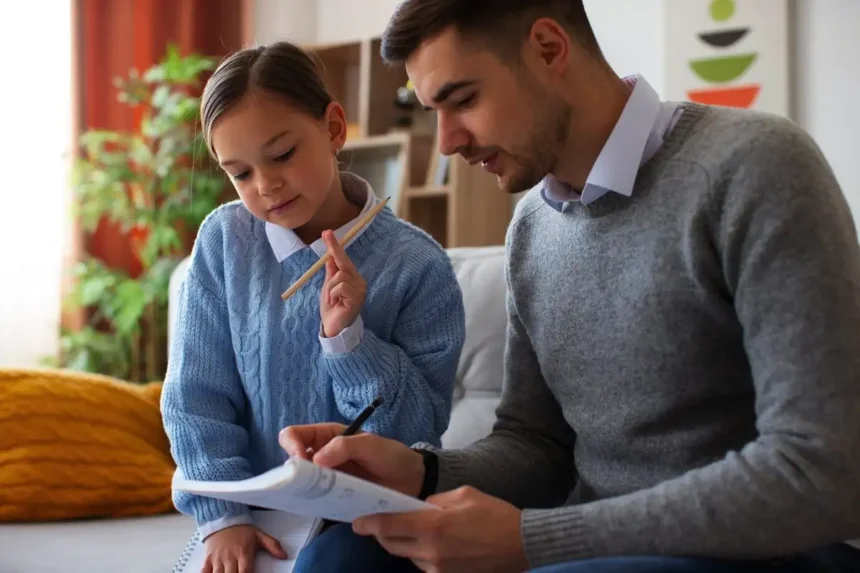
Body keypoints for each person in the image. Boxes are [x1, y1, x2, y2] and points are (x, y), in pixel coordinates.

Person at [279, 1, 860, 572]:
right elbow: (537, 445)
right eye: (433, 110)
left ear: (548, 48)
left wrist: (536, 540)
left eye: (464, 100)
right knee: (340, 558)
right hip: (592, 548)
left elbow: (821, 469)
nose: (447, 142)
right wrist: (422, 471)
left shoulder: (755, 166)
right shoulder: (534, 226)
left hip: (766, 552)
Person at [160, 40, 466, 573]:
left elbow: (418, 438)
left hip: (364, 528)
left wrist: (349, 341)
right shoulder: (224, 242)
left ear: (334, 128)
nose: (266, 185)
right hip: (252, 516)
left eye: (282, 155)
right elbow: (194, 399)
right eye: (240, 173)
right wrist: (223, 517)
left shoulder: (418, 265)